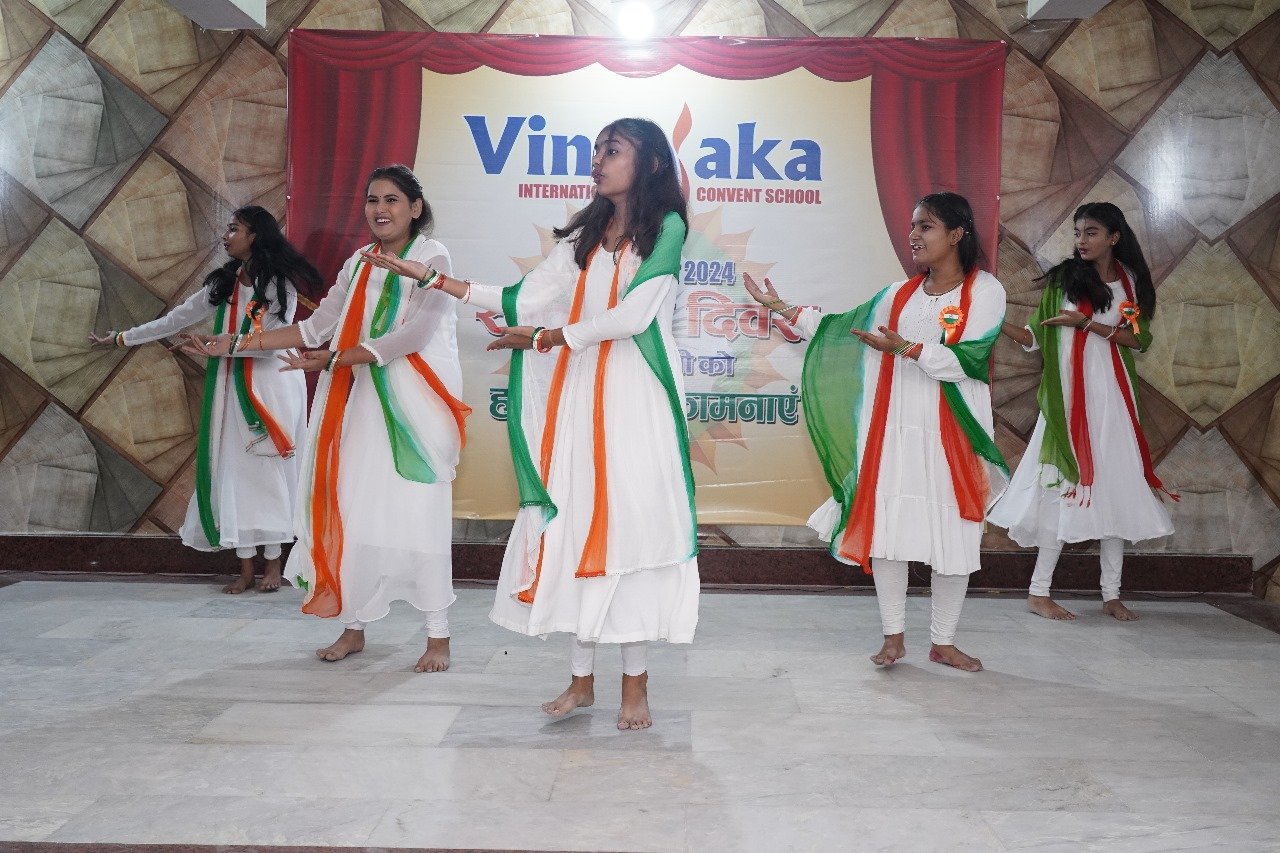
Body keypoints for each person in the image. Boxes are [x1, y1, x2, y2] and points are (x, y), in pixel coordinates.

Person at [363, 118, 698, 729]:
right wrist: (432, 278)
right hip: (580, 393)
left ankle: (636, 683)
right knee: (571, 523)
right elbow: (521, 297)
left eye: (612, 151)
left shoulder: (667, 228)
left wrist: (548, 338)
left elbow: (634, 318)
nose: (598, 161)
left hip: (636, 395)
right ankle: (580, 680)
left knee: (628, 533)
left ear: (650, 162)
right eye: (595, 150)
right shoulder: (587, 233)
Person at [185, 165, 469, 671]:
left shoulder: (432, 257)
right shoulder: (359, 262)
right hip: (364, 400)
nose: (379, 209)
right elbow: (314, 328)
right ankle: (353, 624)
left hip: (420, 406)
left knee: (419, 515)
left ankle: (437, 636)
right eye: (372, 200)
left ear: (415, 208)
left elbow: (414, 337)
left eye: (392, 200)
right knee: (351, 508)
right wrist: (234, 343)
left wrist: (336, 359)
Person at [745, 191, 1008, 672]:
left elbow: (969, 358)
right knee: (889, 529)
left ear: (956, 234)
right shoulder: (898, 295)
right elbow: (838, 327)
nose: (914, 235)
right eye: (913, 226)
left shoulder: (985, 290)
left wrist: (906, 348)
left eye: (926, 226)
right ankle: (893, 637)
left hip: (952, 431)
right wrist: (781, 307)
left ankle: (944, 641)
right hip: (896, 430)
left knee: (954, 532)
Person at [92, 206, 320, 594]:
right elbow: (175, 319)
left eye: (234, 229)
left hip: (272, 385)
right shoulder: (225, 284)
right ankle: (245, 566)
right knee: (233, 470)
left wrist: (223, 346)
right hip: (229, 386)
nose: (225, 236)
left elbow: (272, 345)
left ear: (254, 235)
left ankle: (273, 562)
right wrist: (122, 338)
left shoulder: (279, 286)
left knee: (270, 469)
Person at [987, 201, 1173, 621]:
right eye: (1077, 233)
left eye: (1091, 232)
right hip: (1068, 404)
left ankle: (1111, 594)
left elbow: (1138, 341)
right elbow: (1034, 337)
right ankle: (1038, 592)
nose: (1081, 240)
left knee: (1116, 489)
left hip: (1113, 402)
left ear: (1114, 237)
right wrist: (995, 324)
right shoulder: (1065, 281)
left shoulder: (1131, 283)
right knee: (1059, 490)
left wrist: (1086, 325)